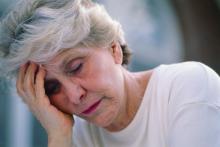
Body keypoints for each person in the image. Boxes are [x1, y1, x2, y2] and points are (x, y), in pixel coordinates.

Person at [0, 0, 220, 147]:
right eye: (52, 88)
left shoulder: (188, 86)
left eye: (76, 67)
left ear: (113, 48)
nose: (75, 95)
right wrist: (58, 138)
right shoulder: (74, 136)